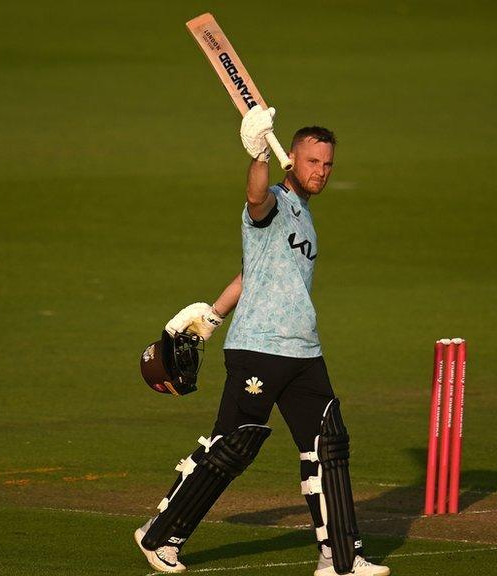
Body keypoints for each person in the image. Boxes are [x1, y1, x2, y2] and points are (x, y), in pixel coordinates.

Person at [134, 105, 390, 576]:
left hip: (302, 350)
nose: (322, 172)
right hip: (259, 346)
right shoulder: (271, 200)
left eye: (328, 164)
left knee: (327, 444)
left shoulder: (305, 218)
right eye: (313, 161)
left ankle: (340, 559)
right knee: (233, 445)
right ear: (292, 157)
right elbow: (255, 199)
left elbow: (254, 273)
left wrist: (212, 314)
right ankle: (160, 535)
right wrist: (257, 155)